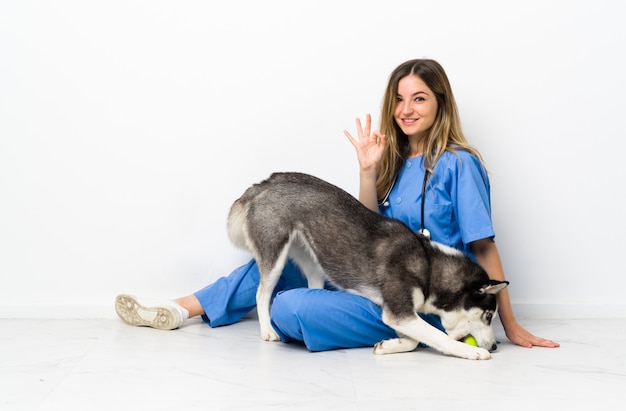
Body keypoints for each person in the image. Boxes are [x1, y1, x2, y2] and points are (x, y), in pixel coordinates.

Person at [115, 58, 560, 351]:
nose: (406, 109)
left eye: (419, 98)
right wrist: (368, 171)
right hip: (372, 273)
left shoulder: (459, 164)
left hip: (418, 299)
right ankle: (180, 309)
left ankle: (304, 311)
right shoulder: (396, 159)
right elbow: (366, 228)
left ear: (440, 103)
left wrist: (511, 325)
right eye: (400, 99)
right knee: (284, 255)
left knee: (293, 309)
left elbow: (483, 250)